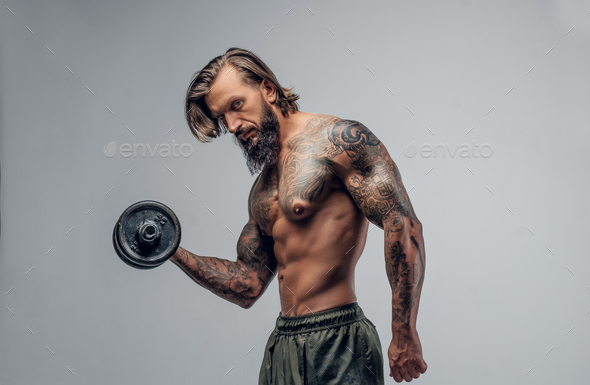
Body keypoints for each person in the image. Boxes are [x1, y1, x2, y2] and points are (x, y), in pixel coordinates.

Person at [171, 47, 428, 384]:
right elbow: (247, 283)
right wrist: (172, 250)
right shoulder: (262, 189)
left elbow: (402, 223)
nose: (232, 126)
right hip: (284, 345)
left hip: (339, 338)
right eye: (222, 118)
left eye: (236, 105)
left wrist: (404, 330)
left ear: (267, 89)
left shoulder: (340, 141)